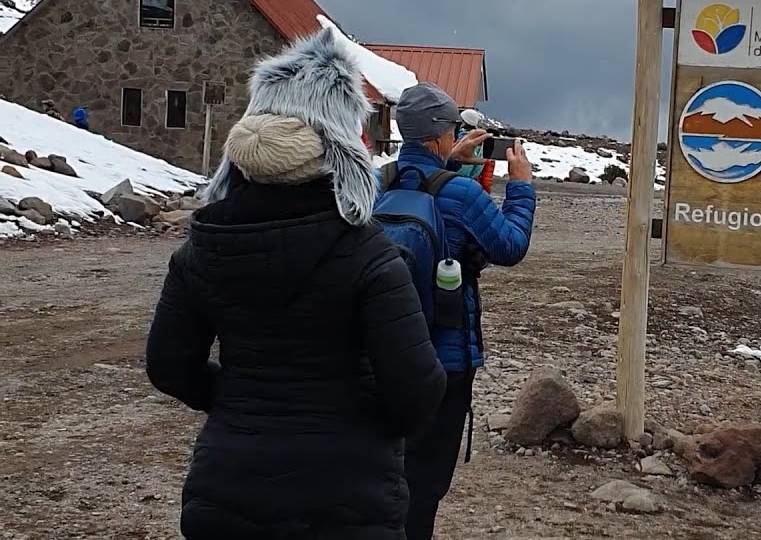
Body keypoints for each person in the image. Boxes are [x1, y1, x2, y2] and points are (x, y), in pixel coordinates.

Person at [144, 27, 448, 540]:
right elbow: (417, 389)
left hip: (228, 489)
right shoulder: (369, 254)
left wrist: (239, 401)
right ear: (341, 149)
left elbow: (169, 366)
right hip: (349, 496)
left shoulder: (202, 248)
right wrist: (363, 422)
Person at [383, 82, 536, 539]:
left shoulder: (376, 182)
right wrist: (522, 188)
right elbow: (510, 247)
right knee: (425, 480)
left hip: (379, 348)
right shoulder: (462, 196)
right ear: (437, 136)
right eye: (451, 128)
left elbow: (419, 183)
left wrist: (446, 163)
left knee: (382, 467)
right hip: (444, 358)